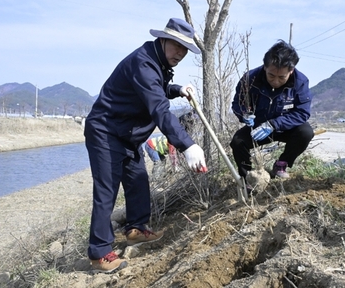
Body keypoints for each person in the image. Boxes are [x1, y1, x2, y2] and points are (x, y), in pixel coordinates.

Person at [84, 18, 207, 273]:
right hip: (106, 131)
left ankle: (136, 230)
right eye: (177, 46)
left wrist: (176, 89)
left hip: (127, 134)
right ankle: (99, 254)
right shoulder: (144, 63)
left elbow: (157, 89)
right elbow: (160, 111)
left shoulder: (157, 62)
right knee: (107, 191)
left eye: (185, 49)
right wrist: (188, 146)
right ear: (163, 39)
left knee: (138, 180)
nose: (181, 53)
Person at [230, 39, 314, 185]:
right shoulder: (250, 79)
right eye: (271, 75)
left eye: (281, 77)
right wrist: (244, 114)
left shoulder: (300, 82)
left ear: (291, 70)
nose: (275, 81)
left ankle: (282, 164)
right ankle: (248, 179)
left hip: (285, 127)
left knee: (306, 132)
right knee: (237, 142)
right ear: (265, 67)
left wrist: (274, 124)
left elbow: (302, 112)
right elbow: (238, 103)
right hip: (258, 128)